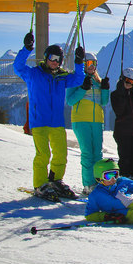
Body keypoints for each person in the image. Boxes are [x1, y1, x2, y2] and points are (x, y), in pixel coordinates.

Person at [14, 33, 85, 199]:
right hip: (39, 122)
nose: (55, 62)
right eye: (52, 58)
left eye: (58, 59)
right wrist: (26, 49)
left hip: (57, 123)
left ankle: (55, 180)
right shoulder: (33, 74)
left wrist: (79, 62)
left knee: (61, 154)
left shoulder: (61, 77)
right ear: (46, 58)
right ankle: (40, 184)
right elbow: (18, 67)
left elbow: (78, 79)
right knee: (43, 154)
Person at [66, 51, 109, 195]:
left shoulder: (97, 81)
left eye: (94, 64)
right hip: (81, 120)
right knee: (87, 153)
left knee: (97, 153)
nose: (92, 67)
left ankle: (98, 182)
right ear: (83, 64)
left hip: (97, 120)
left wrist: (105, 88)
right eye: (89, 63)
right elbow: (70, 100)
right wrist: (82, 88)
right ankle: (88, 184)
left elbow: (104, 102)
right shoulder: (76, 79)